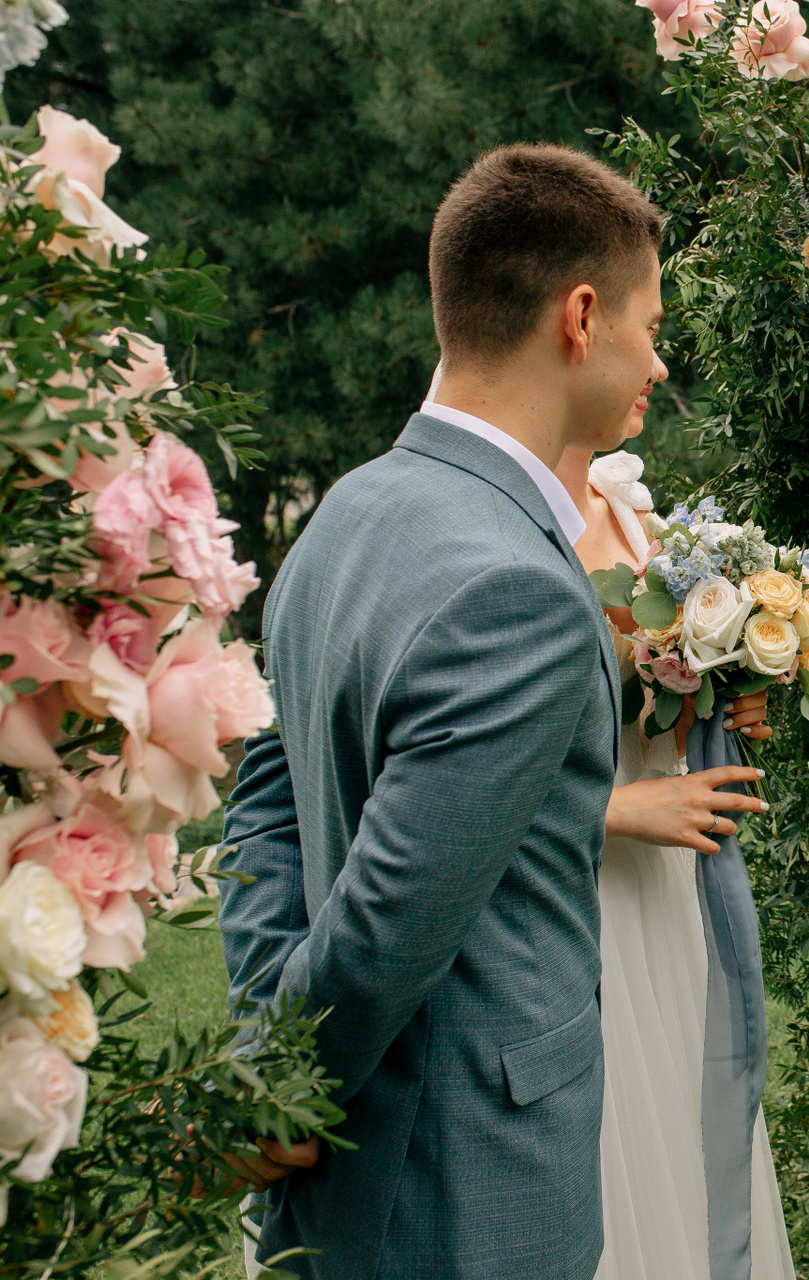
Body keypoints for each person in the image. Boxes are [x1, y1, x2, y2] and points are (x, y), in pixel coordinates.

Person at [218, 144, 662, 1279]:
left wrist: (265, 1036)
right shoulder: (520, 586)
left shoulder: (346, 511)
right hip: (460, 1182)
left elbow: (264, 811)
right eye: (649, 324)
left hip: (355, 1178)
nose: (657, 361)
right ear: (582, 317)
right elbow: (385, 924)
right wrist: (281, 1088)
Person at [550, 380, 797, 1279]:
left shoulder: (627, 504)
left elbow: (659, 693)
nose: (659, 364)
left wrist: (725, 689)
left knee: (685, 1136)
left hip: (670, 888)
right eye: (646, 329)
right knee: (617, 1145)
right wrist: (619, 810)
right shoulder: (504, 524)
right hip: (583, 885)